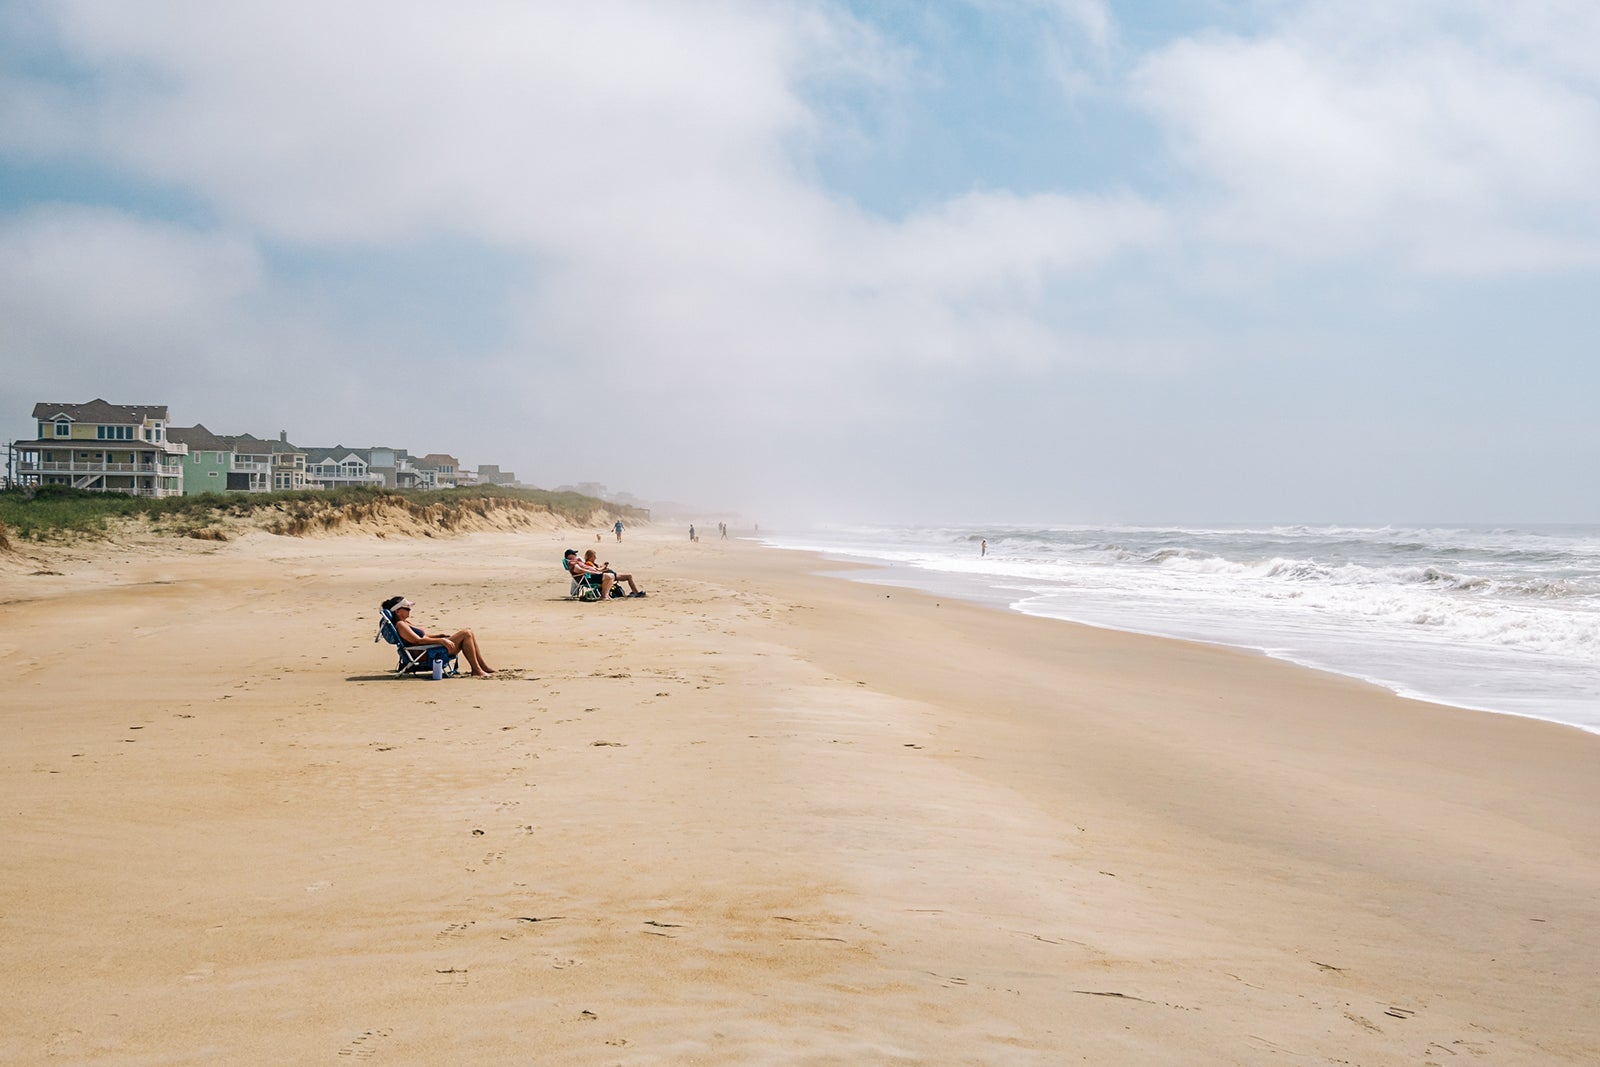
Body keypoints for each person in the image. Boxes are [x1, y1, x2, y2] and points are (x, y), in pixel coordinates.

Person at [382, 595, 495, 677]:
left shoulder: (405, 622)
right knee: (466, 633)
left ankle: (482, 667)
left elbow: (423, 636)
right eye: (407, 608)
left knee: (469, 633)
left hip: (428, 649)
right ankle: (476, 670)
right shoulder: (401, 625)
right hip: (425, 654)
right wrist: (441, 641)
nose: (409, 610)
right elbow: (417, 641)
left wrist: (439, 636)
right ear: (397, 611)